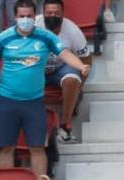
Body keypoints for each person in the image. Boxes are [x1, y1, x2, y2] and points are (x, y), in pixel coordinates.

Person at [0, 0, 90, 180]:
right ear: (15, 17)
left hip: (34, 102)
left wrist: (80, 66)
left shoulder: (45, 36)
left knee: (38, 148)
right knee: (6, 148)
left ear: (35, 17)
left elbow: (65, 53)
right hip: (7, 101)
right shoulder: (4, 37)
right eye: (21, 16)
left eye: (29, 16)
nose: (25, 20)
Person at [36, 0, 93, 143]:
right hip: (35, 70)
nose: (53, 16)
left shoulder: (73, 31)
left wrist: (78, 88)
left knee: (73, 80)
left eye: (56, 13)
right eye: (49, 13)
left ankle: (65, 127)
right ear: (43, 14)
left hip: (60, 68)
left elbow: (86, 59)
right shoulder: (34, 25)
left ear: (63, 14)